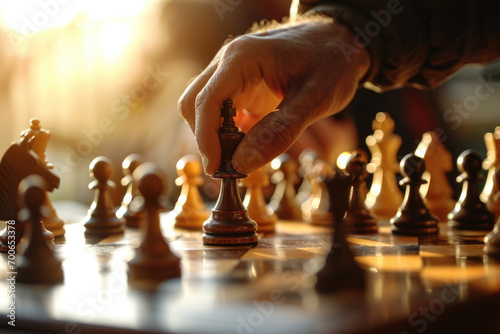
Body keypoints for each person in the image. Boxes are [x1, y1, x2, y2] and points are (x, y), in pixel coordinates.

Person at [178, 0, 500, 175]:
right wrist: (183, 138)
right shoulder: (196, 17)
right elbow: (168, 95)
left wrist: (352, 30)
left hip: (416, 199)